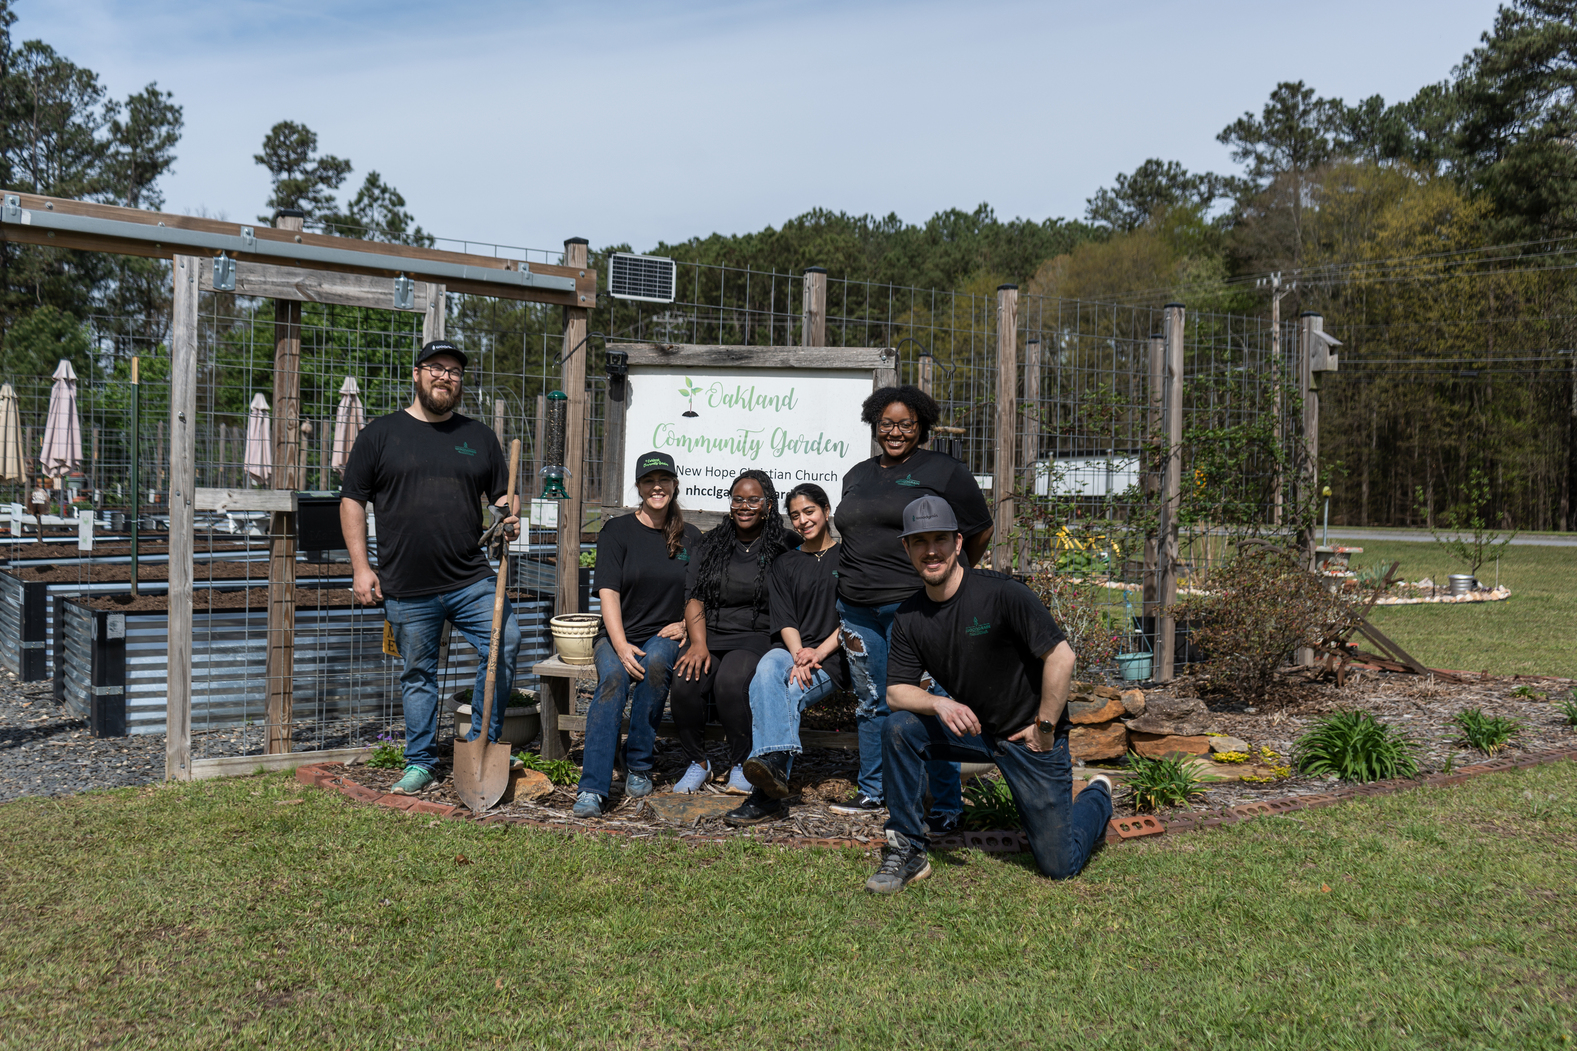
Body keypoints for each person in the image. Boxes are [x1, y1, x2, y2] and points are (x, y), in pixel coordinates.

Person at [865, 495, 1113, 893]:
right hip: (974, 731)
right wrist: (938, 702)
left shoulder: (1003, 594)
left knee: (1059, 864)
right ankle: (907, 849)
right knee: (899, 728)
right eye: (920, 542)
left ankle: (1098, 795)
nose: (931, 551)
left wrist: (1044, 727)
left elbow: (1061, 657)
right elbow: (896, 693)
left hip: (1027, 737)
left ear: (958, 543)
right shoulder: (910, 616)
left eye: (940, 539)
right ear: (906, 548)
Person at [340, 338, 521, 797]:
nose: (446, 377)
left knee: (506, 643)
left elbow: (505, 494)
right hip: (407, 584)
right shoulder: (379, 435)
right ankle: (420, 762)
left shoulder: (478, 437)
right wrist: (362, 568)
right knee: (418, 675)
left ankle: (483, 739)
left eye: (455, 372)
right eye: (437, 368)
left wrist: (509, 513)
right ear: (417, 374)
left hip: (470, 577)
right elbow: (352, 502)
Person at [831, 384, 992, 827]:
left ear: (921, 425)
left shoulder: (944, 470)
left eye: (906, 424)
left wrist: (947, 581)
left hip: (916, 610)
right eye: (887, 424)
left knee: (932, 700)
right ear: (874, 425)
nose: (896, 432)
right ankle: (874, 792)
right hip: (856, 608)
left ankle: (944, 805)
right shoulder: (857, 475)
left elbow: (979, 527)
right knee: (871, 701)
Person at [573, 452, 701, 818]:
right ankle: (593, 788)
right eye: (648, 481)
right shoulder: (617, 531)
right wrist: (619, 644)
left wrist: (684, 624)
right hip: (617, 633)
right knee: (613, 677)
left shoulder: (690, 536)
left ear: (675, 485)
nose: (656, 487)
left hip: (664, 634)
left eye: (664, 480)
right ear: (639, 487)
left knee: (658, 662)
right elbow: (608, 592)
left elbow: (697, 593)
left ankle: (639, 762)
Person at [725, 482, 846, 826]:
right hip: (792, 650)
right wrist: (798, 654)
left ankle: (764, 795)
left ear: (826, 511)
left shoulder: (848, 558)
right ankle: (774, 768)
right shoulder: (786, 563)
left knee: (787, 693)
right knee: (765, 670)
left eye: (809, 511)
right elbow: (785, 618)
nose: (803, 520)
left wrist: (816, 653)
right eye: (795, 515)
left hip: (832, 656)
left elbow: (853, 616)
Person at [670, 470, 793, 794]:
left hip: (755, 635)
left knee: (731, 683)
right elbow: (693, 596)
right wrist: (698, 644)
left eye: (754, 500)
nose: (745, 506)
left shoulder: (784, 545)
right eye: (738, 499)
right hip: (709, 634)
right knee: (684, 682)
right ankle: (698, 763)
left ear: (768, 505)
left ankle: (741, 763)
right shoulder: (712, 543)